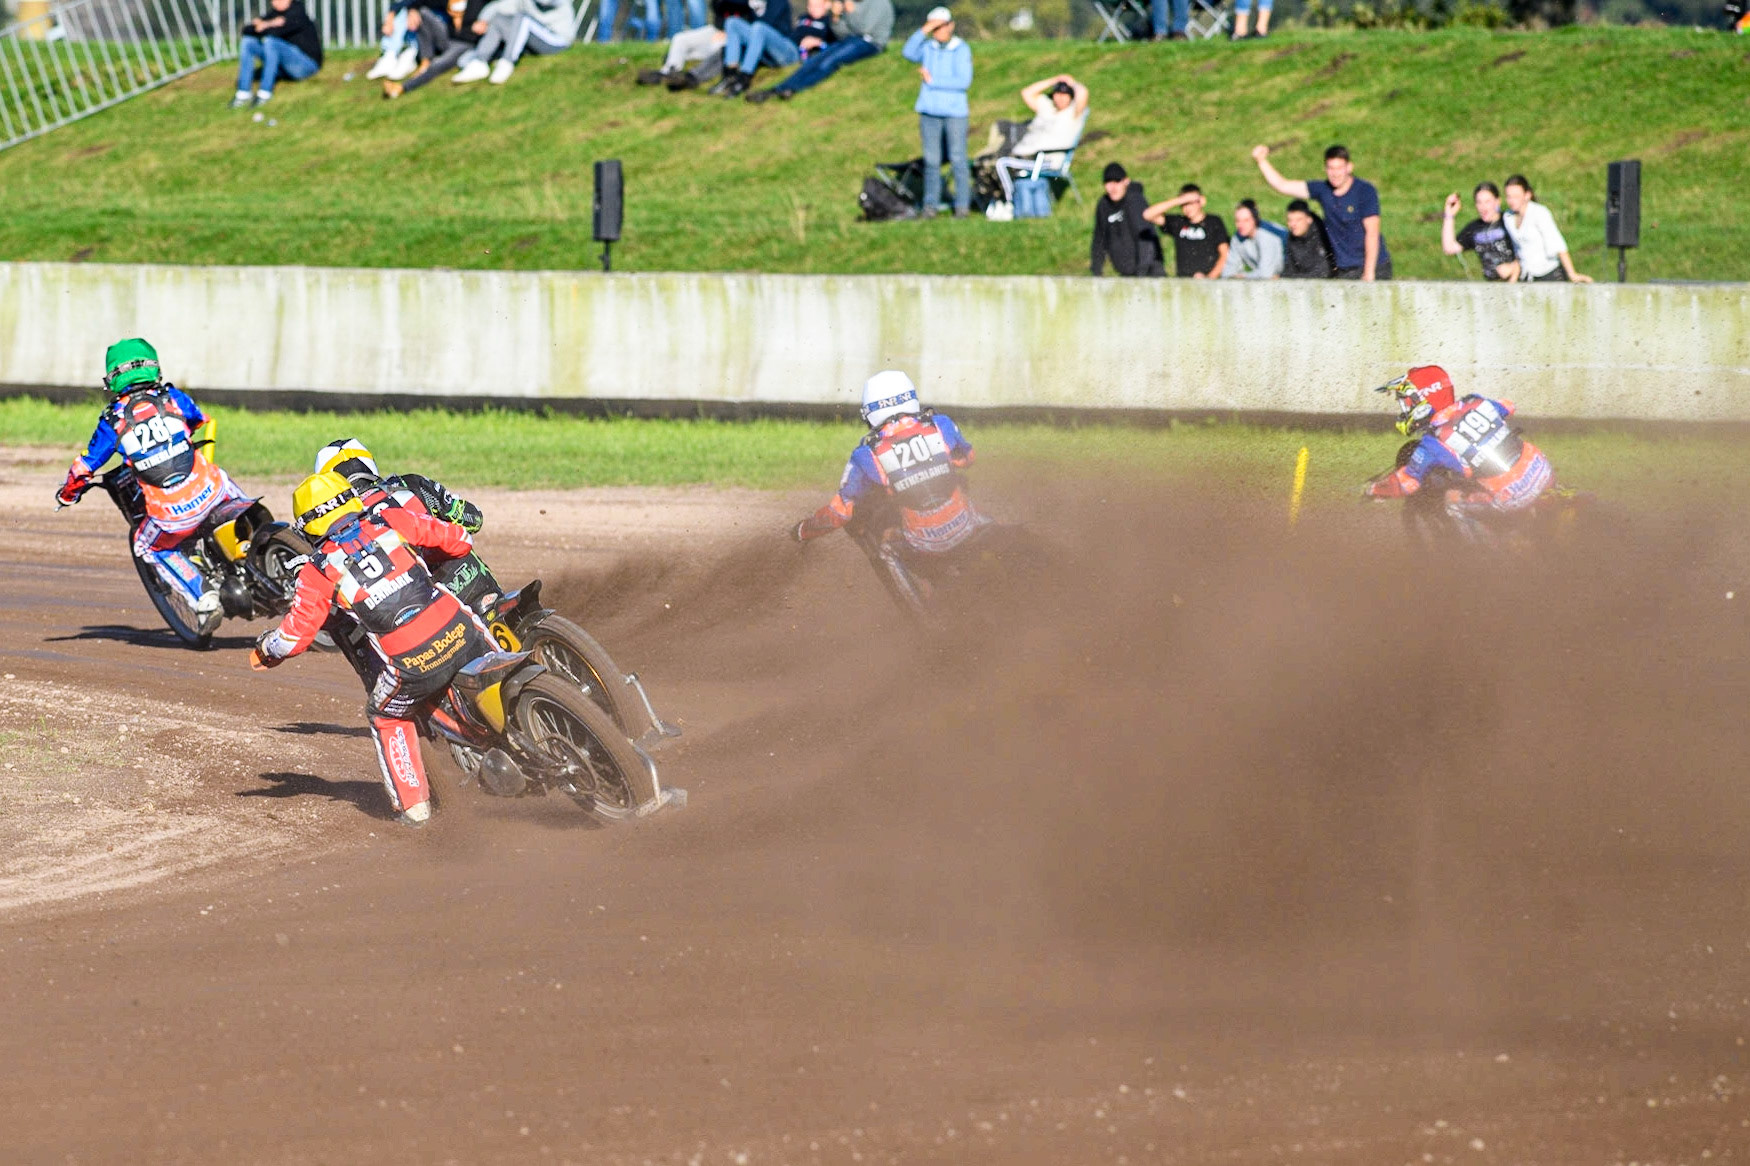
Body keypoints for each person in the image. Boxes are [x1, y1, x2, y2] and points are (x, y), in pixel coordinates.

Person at [252, 472, 490, 826]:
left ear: (307, 527)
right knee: (493, 653)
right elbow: (460, 541)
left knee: (386, 715)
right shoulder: (390, 519)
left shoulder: (317, 572)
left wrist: (266, 649)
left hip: (412, 661)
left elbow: (294, 638)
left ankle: (415, 808)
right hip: (462, 628)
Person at [56, 339, 255, 618]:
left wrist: (67, 494)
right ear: (155, 367)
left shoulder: (112, 421)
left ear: (112, 378)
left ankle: (203, 596)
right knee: (218, 476)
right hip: (215, 492)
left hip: (172, 515)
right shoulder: (172, 397)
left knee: (146, 544)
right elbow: (197, 419)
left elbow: (82, 468)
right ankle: (257, 533)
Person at [793, 370, 988, 560]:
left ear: (870, 412)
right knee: (960, 482)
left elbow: (840, 513)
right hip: (968, 528)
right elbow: (968, 458)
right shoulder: (941, 424)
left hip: (924, 546)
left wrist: (804, 530)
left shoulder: (866, 453)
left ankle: (915, 593)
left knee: (881, 540)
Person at [312, 438, 503, 612]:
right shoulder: (411, 484)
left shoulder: (343, 526)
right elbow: (473, 519)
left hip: (422, 608)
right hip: (474, 582)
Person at [1362, 365, 1554, 531]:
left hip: (1512, 494)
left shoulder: (1433, 443)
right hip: (1542, 467)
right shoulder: (1477, 402)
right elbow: (1508, 406)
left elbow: (1406, 483)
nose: (1405, 411)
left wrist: (1375, 490)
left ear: (1421, 402)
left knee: (1452, 503)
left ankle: (1485, 562)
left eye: (1406, 404)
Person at [1252, 143, 1391, 280]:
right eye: (1331, 168)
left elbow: (1372, 233)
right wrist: (1261, 161)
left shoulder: (1365, 191)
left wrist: (1369, 272)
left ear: (1349, 167)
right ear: (1325, 169)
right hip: (1345, 269)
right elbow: (1283, 185)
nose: (1335, 173)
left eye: (1339, 168)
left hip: (1374, 267)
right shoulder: (1323, 190)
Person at [901, 7, 972, 218]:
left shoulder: (961, 49)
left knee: (958, 159)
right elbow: (907, 52)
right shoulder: (927, 47)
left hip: (955, 112)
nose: (938, 31)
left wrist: (933, 81)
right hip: (929, 111)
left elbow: (963, 81)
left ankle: (962, 206)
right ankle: (930, 206)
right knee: (931, 162)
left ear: (951, 25)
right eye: (935, 27)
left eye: (941, 26)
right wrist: (924, 30)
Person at [747, 0, 891, 102]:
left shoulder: (878, 3)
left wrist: (850, 12)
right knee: (816, 59)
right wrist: (835, 18)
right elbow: (843, 33)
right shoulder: (853, 3)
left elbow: (864, 30)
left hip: (871, 43)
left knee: (830, 61)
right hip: (851, 40)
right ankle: (778, 89)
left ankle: (793, 88)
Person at [987, 74, 1089, 204]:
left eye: (1065, 94)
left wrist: (1071, 82)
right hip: (1025, 154)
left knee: (1001, 163)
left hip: (1045, 159)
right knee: (986, 163)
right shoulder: (1047, 108)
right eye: (1057, 93)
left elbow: (1083, 92)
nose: (1060, 97)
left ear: (1071, 96)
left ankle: (1010, 203)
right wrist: (1053, 80)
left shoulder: (1073, 114)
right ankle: (994, 203)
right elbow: (1027, 93)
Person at [383, 0, 490, 97]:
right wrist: (413, 11)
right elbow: (419, 2)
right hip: (448, 38)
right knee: (423, 12)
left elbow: (497, 6)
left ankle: (402, 88)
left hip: (465, 43)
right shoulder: (450, 2)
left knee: (438, 64)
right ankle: (425, 60)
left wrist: (486, 20)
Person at [451, 0, 574, 84]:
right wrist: (483, 20)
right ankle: (480, 61)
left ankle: (507, 62)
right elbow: (500, 6)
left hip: (557, 40)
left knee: (522, 18)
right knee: (499, 18)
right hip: (536, 37)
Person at [230, 0, 323, 108]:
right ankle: (243, 92)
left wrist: (265, 25)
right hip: (285, 67)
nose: (275, 2)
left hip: (306, 65)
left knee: (271, 42)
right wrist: (268, 24)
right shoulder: (275, 14)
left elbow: (275, 32)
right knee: (248, 42)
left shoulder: (298, 13)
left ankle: (265, 92)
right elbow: (247, 30)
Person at [1502, 175, 1592, 284]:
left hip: (1549, 274)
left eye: (1516, 196)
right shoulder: (1508, 217)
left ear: (1527, 195)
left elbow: (1558, 244)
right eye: (1509, 196)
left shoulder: (1539, 213)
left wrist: (1572, 274)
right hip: (1527, 277)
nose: (1511, 201)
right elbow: (1519, 249)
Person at [1090, 163, 1165, 278]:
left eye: (1117, 182)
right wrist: (1096, 272)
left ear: (1126, 181)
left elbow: (1145, 240)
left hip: (1149, 273)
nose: (1112, 187)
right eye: (1108, 182)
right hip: (1126, 275)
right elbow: (1099, 240)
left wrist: (1141, 274)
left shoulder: (1135, 201)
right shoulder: (1104, 205)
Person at [1143, 183, 1229, 279]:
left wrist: (1209, 278)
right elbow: (1148, 215)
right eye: (1184, 204)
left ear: (1202, 201)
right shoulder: (1179, 222)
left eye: (1191, 203)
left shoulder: (1214, 222)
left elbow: (1224, 253)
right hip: (1183, 281)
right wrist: (1179, 200)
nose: (1187, 207)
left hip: (1208, 280)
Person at [711, 0, 794, 96]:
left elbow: (767, 25)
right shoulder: (754, 2)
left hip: (783, 50)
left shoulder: (778, 2)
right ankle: (730, 76)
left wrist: (754, 5)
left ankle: (744, 78)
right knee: (732, 22)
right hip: (763, 47)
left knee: (758, 28)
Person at [1442, 182, 1520, 282]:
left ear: (1498, 201)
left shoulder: (1508, 221)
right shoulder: (1475, 228)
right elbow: (1449, 248)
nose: (1483, 207)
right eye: (1479, 202)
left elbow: (1529, 248)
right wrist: (1449, 215)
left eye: (1487, 201)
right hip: (1492, 287)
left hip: (1518, 283)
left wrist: (1513, 267)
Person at [1221, 199, 1283, 278]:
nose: (1241, 225)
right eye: (1237, 221)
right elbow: (1228, 270)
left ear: (1255, 219)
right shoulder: (1238, 238)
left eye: (1246, 220)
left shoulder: (1266, 237)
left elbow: (1266, 273)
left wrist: (1242, 276)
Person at [1281, 198, 1334, 279]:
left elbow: (1323, 272)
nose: (1293, 224)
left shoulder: (1322, 235)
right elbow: (1289, 269)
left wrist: (1295, 278)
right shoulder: (1292, 237)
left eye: (1298, 220)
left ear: (1309, 219)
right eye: (1290, 220)